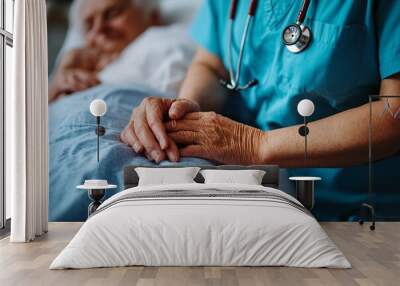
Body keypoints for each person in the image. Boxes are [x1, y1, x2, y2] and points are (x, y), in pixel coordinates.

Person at [121, 1, 400, 219]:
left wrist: (255, 145)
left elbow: (393, 115)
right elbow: (212, 64)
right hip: (256, 196)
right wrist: (184, 109)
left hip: (358, 209)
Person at [49, 0, 161, 102]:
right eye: (89, 25)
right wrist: (62, 72)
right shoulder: (77, 65)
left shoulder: (165, 44)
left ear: (152, 17)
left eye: (113, 14)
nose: (98, 28)